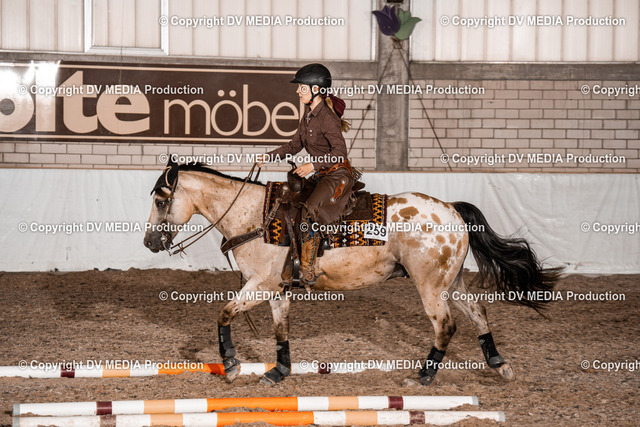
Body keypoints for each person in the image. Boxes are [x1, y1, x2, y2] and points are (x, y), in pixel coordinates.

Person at [259, 63, 355, 286]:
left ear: (316, 89)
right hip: (321, 174)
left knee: (311, 209)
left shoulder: (327, 118)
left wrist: (312, 165)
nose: (297, 91)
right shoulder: (309, 115)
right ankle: (292, 259)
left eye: (302, 87)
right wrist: (270, 156)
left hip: (337, 175)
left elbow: (340, 153)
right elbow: (295, 145)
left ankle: (307, 268)